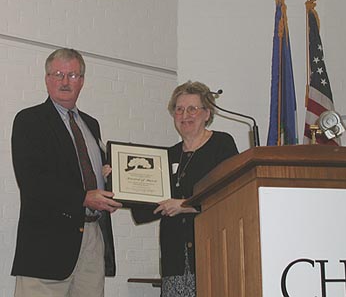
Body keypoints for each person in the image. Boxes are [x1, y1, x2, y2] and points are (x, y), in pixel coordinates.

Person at [11, 48, 122, 297]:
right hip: (46, 243)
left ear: (82, 81)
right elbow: (32, 181)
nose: (64, 81)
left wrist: (112, 184)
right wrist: (83, 197)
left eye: (72, 75)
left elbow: (89, 175)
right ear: (47, 78)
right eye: (58, 74)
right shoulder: (29, 121)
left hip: (93, 236)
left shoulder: (91, 125)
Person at [131, 81, 239, 296]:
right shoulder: (166, 156)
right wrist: (118, 180)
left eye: (192, 109)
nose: (185, 115)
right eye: (179, 109)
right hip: (175, 262)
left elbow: (231, 194)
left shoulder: (221, 144)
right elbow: (143, 209)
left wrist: (186, 206)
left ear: (207, 113)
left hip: (212, 255)